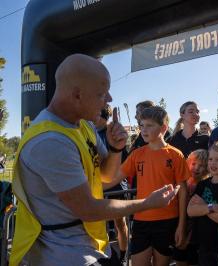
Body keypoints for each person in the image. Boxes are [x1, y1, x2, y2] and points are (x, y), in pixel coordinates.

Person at [10, 54, 179, 266]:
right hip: (61, 255)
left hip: (90, 246)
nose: (109, 99)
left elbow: (105, 177)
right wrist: (147, 204)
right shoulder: (50, 141)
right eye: (101, 93)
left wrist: (115, 149)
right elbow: (89, 209)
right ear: (77, 94)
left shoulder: (83, 125)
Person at [117, 106, 190, 266]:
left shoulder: (175, 154)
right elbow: (114, 178)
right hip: (141, 219)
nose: (144, 129)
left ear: (163, 128)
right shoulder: (137, 154)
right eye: (141, 125)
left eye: (149, 125)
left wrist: (181, 226)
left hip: (168, 221)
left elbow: (183, 191)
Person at [187, 141, 218, 266]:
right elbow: (190, 211)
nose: (213, 163)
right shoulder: (203, 184)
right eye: (210, 159)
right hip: (204, 246)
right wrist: (212, 207)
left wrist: (203, 207)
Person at [95, 104, 129, 264]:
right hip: (97, 188)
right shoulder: (89, 132)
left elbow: (124, 164)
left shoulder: (113, 132)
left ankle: (123, 256)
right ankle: (105, 256)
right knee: (99, 226)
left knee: (120, 224)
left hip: (116, 188)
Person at [174, 149, 209, 266]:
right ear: (188, 162)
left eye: (201, 166)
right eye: (194, 164)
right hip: (180, 226)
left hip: (195, 232)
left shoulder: (205, 186)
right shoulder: (182, 183)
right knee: (179, 257)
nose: (196, 168)